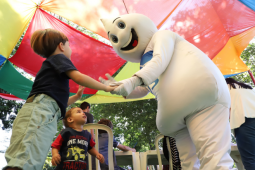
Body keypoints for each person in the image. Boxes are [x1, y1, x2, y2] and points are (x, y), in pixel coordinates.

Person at [4, 28, 115, 170]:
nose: (70, 49)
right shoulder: (58, 58)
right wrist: (105, 87)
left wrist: (76, 97)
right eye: (68, 45)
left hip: (45, 113)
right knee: (24, 160)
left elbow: (58, 103)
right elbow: (79, 76)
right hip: (40, 112)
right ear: (61, 46)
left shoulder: (53, 66)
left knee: (31, 160)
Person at [226, 78, 255, 170]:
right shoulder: (248, 88)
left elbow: (223, 115)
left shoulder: (225, 89)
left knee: (250, 159)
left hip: (245, 121)